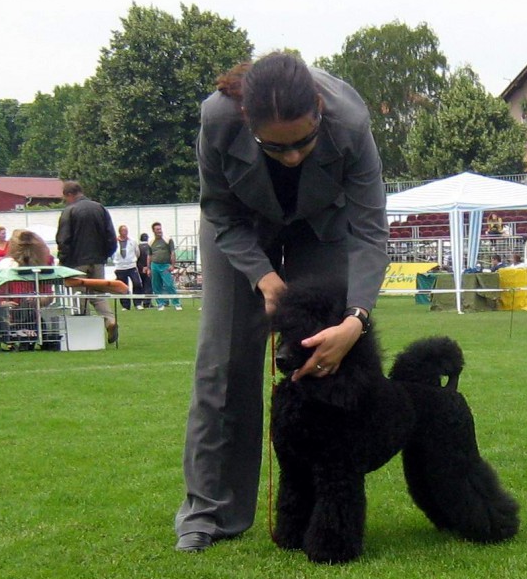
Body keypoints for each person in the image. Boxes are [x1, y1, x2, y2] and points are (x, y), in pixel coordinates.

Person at [174, 52, 389, 553]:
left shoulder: (351, 121)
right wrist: (264, 279)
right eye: (274, 147)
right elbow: (220, 215)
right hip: (241, 230)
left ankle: (320, 508)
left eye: (304, 143)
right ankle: (207, 514)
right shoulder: (217, 118)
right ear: (247, 122)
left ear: (318, 111)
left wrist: (356, 319)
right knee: (222, 365)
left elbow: (370, 230)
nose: (292, 157)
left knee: (327, 356)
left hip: (326, 224)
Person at [56, 181, 118, 343]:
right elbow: (111, 236)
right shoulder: (100, 208)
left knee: (79, 296)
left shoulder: (69, 211)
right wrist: (105, 255)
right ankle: (110, 320)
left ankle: (84, 333)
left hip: (77, 261)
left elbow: (63, 239)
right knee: (99, 295)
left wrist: (63, 261)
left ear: (69, 194)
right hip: (98, 260)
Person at [147, 222, 181, 310]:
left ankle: (176, 303)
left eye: (160, 229)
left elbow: (173, 253)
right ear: (153, 231)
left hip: (165, 265)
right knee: (156, 286)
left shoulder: (168, 239)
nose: (159, 231)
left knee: (169, 284)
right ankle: (160, 304)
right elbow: (149, 256)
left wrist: (172, 265)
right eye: (157, 229)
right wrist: (148, 268)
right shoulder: (150, 242)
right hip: (154, 265)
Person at [112, 225, 143, 310]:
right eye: (123, 231)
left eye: (126, 231)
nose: (125, 232)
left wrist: (132, 260)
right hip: (120, 267)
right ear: (120, 232)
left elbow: (137, 252)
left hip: (131, 266)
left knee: (137, 283)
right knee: (123, 286)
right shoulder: (114, 242)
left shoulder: (132, 241)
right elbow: (111, 253)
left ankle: (138, 303)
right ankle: (125, 305)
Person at [136, 232, 153, 309]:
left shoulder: (137, 247)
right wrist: (148, 267)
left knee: (140, 286)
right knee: (148, 286)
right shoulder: (150, 246)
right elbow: (151, 258)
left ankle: (139, 302)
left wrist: (141, 267)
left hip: (140, 269)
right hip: (149, 268)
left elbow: (136, 259)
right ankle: (147, 303)